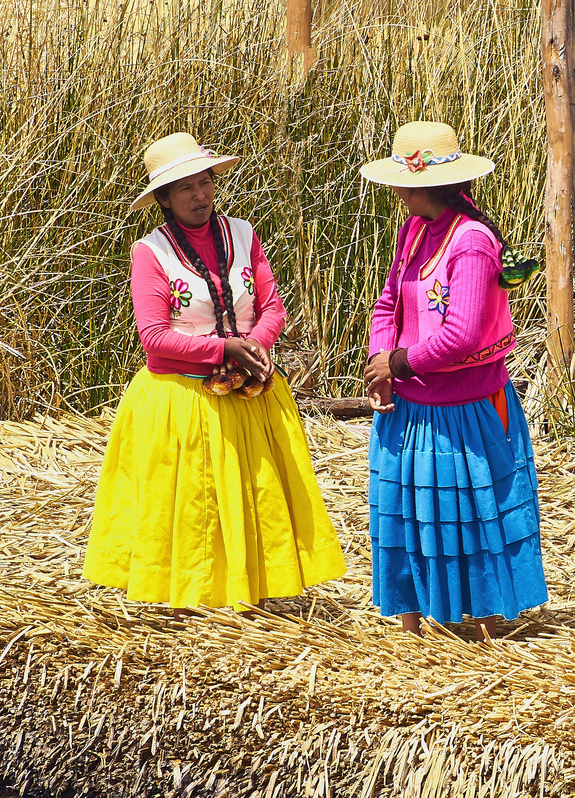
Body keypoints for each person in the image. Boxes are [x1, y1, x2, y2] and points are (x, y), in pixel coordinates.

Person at [83, 132, 345, 612]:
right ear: (163, 199)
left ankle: (254, 587)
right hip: (183, 400)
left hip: (250, 392)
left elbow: (273, 308)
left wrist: (255, 348)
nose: (199, 194)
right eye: (184, 188)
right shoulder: (152, 253)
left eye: (204, 182)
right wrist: (224, 349)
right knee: (194, 501)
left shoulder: (243, 234)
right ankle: (192, 594)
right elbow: (155, 338)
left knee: (257, 490)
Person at [359, 121, 547, 638]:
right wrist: (381, 364)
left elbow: (461, 334)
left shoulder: (471, 243)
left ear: (426, 185)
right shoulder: (414, 230)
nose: (395, 190)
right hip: (412, 405)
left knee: (469, 516)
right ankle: (412, 628)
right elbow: (387, 304)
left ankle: (485, 628)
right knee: (412, 517)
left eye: (402, 179)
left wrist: (397, 364)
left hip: (465, 410)